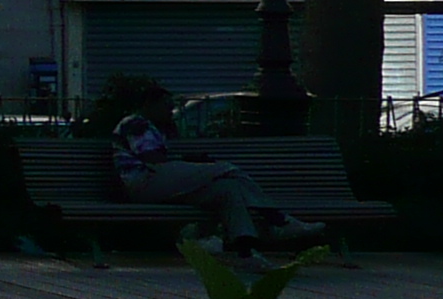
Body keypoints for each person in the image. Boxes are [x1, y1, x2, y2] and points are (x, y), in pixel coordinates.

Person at [112, 85, 324, 268]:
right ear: (150, 104)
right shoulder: (136, 123)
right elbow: (153, 159)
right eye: (166, 105)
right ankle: (277, 220)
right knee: (227, 169)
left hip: (159, 182)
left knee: (227, 190)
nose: (171, 110)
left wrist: (190, 163)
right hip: (144, 182)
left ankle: (247, 252)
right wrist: (195, 166)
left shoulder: (154, 128)